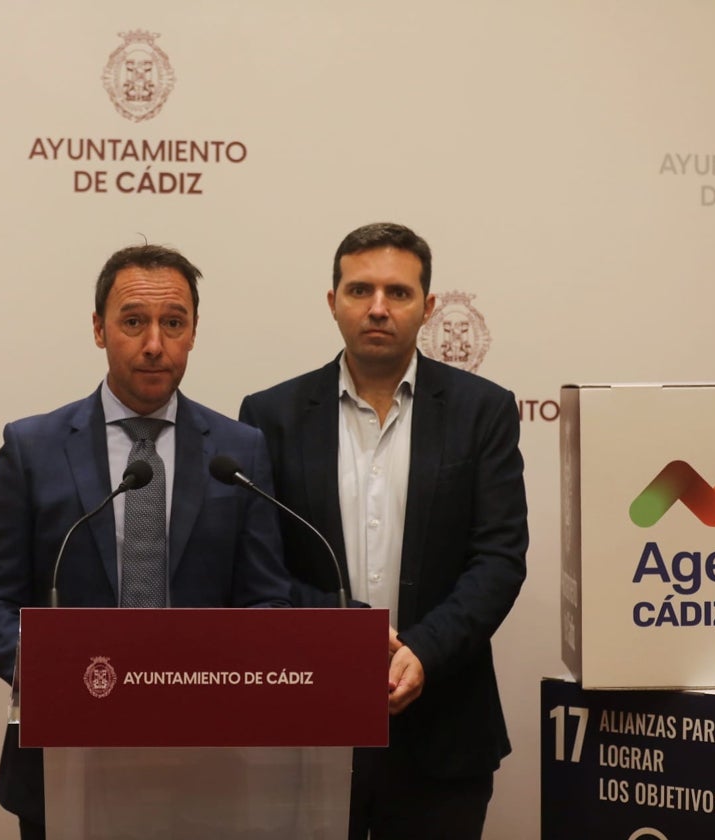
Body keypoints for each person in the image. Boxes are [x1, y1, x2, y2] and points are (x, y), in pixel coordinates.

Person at [0, 243, 292, 840]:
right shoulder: (33, 448)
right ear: (98, 329)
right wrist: (51, 677)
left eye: (173, 323)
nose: (154, 345)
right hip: (67, 753)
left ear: (193, 332)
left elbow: (267, 599)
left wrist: (221, 683)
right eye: (133, 321)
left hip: (205, 761)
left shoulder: (238, 451)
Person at [239, 222, 528, 840]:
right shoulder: (270, 417)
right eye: (359, 290)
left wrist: (421, 650)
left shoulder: (485, 411)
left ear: (427, 307)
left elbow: (499, 557)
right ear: (332, 302)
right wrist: (348, 638)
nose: (377, 307)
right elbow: (258, 569)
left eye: (397, 293)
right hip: (310, 724)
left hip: (445, 726)